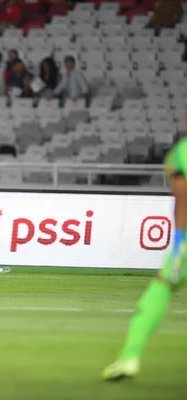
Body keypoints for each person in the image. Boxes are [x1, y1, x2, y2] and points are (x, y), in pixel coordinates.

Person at [102, 132, 187, 381]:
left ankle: (129, 358)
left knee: (161, 288)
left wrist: (181, 240)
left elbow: (182, 192)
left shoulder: (181, 152)